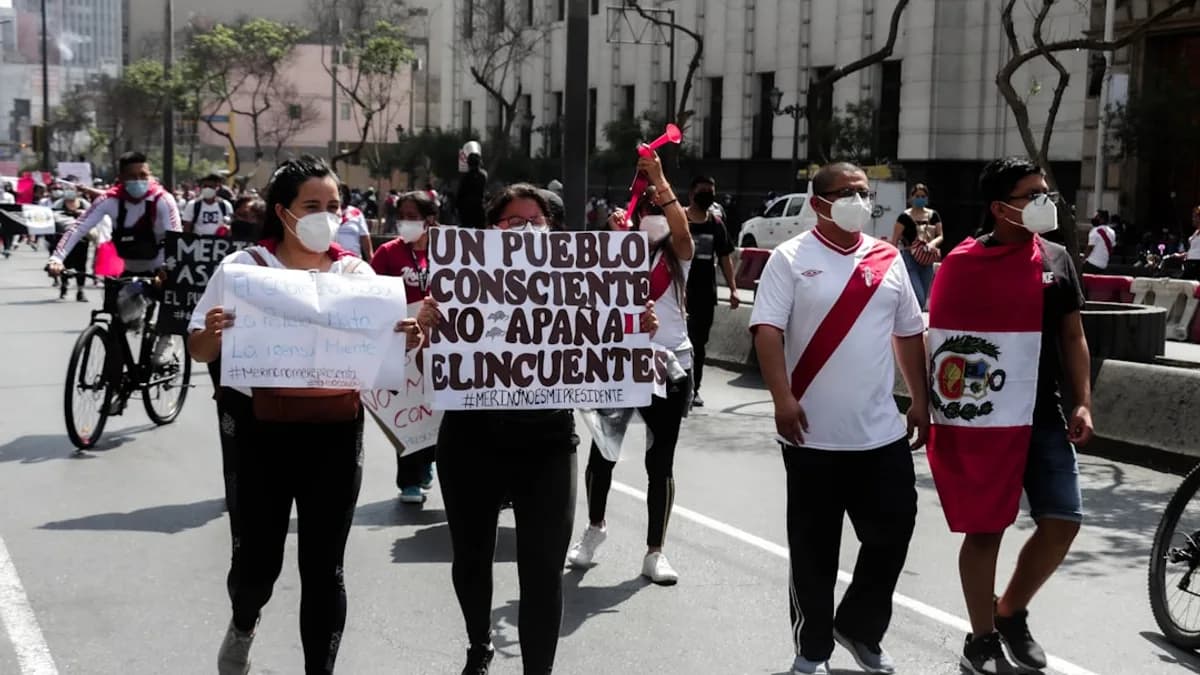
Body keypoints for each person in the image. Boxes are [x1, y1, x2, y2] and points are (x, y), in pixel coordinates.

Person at [188, 155, 423, 675]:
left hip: (335, 431)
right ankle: (244, 620)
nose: (327, 215)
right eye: (312, 205)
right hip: (258, 432)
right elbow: (200, 350)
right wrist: (212, 333)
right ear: (283, 212)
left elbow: (382, 359)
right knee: (257, 564)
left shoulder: (354, 272)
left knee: (324, 568)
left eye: (334, 205)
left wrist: (406, 337)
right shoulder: (244, 270)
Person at [422, 183, 658, 675]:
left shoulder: (581, 286)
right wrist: (426, 326)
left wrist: (634, 329)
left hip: (547, 443)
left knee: (543, 572)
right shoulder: (456, 281)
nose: (525, 231)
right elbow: (430, 364)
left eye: (536, 223)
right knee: (471, 558)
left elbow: (607, 357)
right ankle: (478, 645)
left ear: (554, 234)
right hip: (470, 440)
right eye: (512, 222)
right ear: (491, 230)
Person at [750, 162, 929, 675]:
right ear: (818, 201)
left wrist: (921, 399)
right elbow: (767, 331)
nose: (859, 199)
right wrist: (781, 399)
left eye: (864, 192)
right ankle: (812, 650)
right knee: (814, 551)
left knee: (893, 531)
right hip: (812, 436)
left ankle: (859, 627)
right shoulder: (790, 259)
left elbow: (908, 333)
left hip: (880, 433)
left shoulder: (887, 257)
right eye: (847, 192)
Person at [926, 157, 1092, 675]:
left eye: (1046, 192)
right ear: (999, 208)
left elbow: (1073, 335)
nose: (1045, 202)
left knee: (1064, 520)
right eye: (1032, 195)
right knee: (986, 530)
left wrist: (1084, 398)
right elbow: (943, 349)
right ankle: (981, 639)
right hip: (985, 420)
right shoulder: (962, 263)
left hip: (1043, 417)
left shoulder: (1058, 259)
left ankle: (1010, 611)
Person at [566, 150, 694, 585]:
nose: (657, 214)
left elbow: (680, 228)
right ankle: (595, 527)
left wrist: (659, 180)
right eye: (649, 208)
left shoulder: (679, 254)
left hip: (670, 363)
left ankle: (655, 551)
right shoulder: (617, 251)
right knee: (604, 452)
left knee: (660, 463)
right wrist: (612, 240)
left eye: (664, 209)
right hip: (619, 364)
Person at [369, 190, 440, 504]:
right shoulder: (387, 253)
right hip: (403, 340)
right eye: (403, 216)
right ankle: (409, 479)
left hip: (440, 342)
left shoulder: (446, 251)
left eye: (413, 216)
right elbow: (371, 294)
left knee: (437, 406)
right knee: (408, 407)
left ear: (430, 220)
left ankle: (427, 461)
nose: (406, 223)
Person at [49, 151, 181, 278]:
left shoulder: (163, 199)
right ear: (121, 178)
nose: (138, 180)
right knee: (112, 299)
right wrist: (57, 258)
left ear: (150, 175)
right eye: (132, 176)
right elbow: (78, 228)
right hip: (124, 270)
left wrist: (169, 266)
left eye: (143, 175)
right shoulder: (109, 199)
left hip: (160, 269)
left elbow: (176, 236)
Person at [685, 176, 739, 407]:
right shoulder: (678, 219)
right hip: (678, 293)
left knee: (698, 344)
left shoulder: (716, 224)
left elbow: (725, 258)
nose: (707, 195)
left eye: (711, 191)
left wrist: (733, 289)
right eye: (703, 191)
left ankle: (694, 389)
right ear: (691, 194)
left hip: (705, 295)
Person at [891, 183, 943, 309]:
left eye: (923, 196)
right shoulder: (904, 217)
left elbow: (940, 235)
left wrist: (932, 244)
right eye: (917, 196)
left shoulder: (933, 215)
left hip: (927, 258)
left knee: (924, 294)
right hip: (910, 258)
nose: (920, 199)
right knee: (917, 295)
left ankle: (916, 323)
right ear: (911, 198)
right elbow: (895, 240)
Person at [50, 186, 91, 301]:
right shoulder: (58, 204)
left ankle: (80, 290)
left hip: (81, 239)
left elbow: (93, 216)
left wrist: (80, 213)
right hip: (63, 238)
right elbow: (52, 217)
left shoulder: (84, 204)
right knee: (64, 263)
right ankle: (64, 286)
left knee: (81, 265)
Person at [335, 184, 374, 261]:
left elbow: (365, 238)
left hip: (354, 262)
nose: (339, 196)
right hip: (331, 262)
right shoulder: (324, 214)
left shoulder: (356, 213)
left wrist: (371, 259)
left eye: (341, 193)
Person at [456, 151, 488, 229]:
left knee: (465, 233)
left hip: (466, 209)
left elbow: (460, 193)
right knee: (482, 233)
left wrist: (457, 207)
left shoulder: (465, 177)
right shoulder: (483, 176)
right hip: (479, 208)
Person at [1081, 210, 1116, 275]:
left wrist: (1082, 261)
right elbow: (1112, 248)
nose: (1094, 218)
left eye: (1097, 217)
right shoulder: (1112, 232)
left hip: (1092, 264)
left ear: (1102, 219)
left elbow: (1089, 249)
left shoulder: (1095, 231)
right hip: (1104, 265)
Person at [1182, 206, 1200, 280]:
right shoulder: (1195, 232)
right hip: (1190, 263)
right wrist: (1182, 254)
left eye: (1195, 217)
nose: (1193, 219)